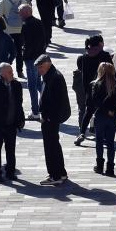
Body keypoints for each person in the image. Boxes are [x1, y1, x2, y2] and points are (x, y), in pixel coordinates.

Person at [34, 55, 70, 185]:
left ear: (48, 64)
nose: (39, 71)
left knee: (50, 147)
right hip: (51, 117)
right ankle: (61, 173)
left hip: (50, 118)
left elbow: (55, 102)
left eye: (41, 67)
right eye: (38, 68)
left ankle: (55, 176)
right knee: (54, 144)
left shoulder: (54, 77)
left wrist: (47, 117)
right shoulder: (50, 75)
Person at [75, 35, 114, 145]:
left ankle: (82, 133)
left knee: (88, 112)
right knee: (105, 112)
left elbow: (84, 76)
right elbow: (111, 72)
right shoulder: (105, 55)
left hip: (90, 89)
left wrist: (86, 90)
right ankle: (105, 134)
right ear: (100, 44)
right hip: (104, 89)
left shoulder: (84, 57)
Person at [84, 63, 116, 176]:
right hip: (113, 115)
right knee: (110, 143)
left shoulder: (95, 84)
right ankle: (110, 168)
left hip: (100, 116)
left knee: (99, 141)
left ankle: (99, 166)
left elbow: (95, 102)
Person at [0, 0, 28, 77]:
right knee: (19, 51)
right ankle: (20, 71)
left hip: (8, 30)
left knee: (6, 51)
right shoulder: (22, 0)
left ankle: (7, 70)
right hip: (20, 30)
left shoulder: (4, 1)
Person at [19, 4, 46, 120]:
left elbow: (27, 43)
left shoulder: (26, 25)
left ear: (26, 13)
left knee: (32, 85)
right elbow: (44, 39)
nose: (19, 14)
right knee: (39, 83)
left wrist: (24, 55)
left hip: (31, 59)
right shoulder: (39, 22)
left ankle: (35, 111)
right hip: (40, 57)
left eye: (20, 12)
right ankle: (47, 102)